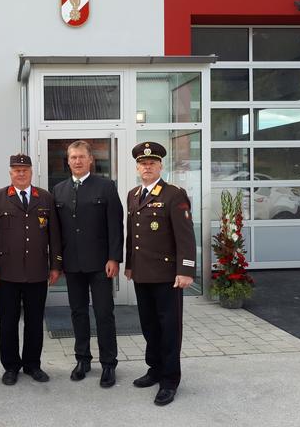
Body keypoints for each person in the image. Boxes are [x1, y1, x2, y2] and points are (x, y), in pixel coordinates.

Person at [125, 141, 196, 406]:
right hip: (142, 274)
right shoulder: (133, 194)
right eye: (143, 164)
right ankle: (154, 369)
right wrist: (129, 264)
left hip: (168, 276)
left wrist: (186, 270)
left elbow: (186, 237)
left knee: (169, 329)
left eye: (152, 163)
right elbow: (132, 235)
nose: (147, 167)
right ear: (137, 167)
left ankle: (169, 380)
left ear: (160, 166)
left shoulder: (174, 194)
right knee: (149, 326)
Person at [0, 154, 62, 386]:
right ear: (10, 172)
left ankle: (32, 364)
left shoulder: (45, 198)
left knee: (35, 322)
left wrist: (55, 265)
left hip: (37, 272)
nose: (20, 173)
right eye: (16, 170)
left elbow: (54, 235)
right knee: (8, 322)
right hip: (7, 273)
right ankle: (10, 366)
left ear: (31, 171)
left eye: (24, 169)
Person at [52, 140, 123, 388]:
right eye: (73, 157)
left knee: (104, 313)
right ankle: (82, 359)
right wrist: (57, 263)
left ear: (90, 159)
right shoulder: (58, 190)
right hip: (72, 264)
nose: (78, 161)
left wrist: (114, 257)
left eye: (82, 157)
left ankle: (108, 364)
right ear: (68, 160)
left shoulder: (105, 187)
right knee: (78, 312)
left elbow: (116, 226)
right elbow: (56, 232)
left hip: (101, 264)